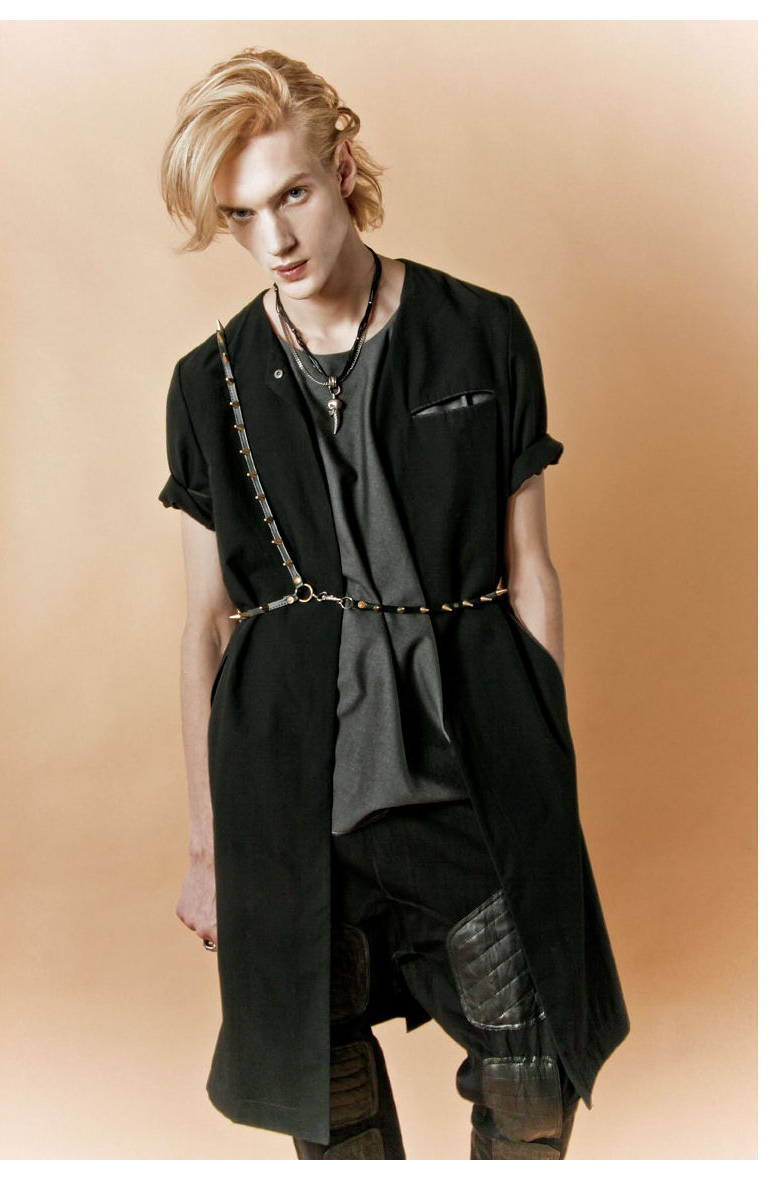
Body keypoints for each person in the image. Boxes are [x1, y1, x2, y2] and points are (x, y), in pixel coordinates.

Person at [158, 48, 629, 1161]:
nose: (273, 239)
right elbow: (206, 623)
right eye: (240, 215)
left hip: (461, 765)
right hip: (288, 792)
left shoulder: (481, 331)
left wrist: (543, 765)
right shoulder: (207, 382)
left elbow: (530, 568)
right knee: (328, 1105)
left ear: (341, 165)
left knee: (531, 1077)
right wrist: (208, 847)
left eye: (291, 194)